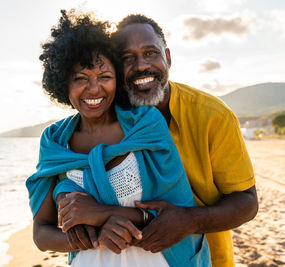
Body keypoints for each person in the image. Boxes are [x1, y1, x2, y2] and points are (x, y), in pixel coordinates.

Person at [26, 10, 211, 267]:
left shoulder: (145, 124)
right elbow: (41, 234)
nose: (93, 89)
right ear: (62, 84)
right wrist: (96, 237)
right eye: (80, 79)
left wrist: (99, 214)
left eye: (104, 77)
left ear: (117, 79)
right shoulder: (54, 140)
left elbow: (176, 213)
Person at [109, 14, 259, 267]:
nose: (141, 65)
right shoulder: (106, 120)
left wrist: (190, 220)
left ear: (167, 57)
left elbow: (247, 202)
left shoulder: (214, 116)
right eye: (126, 58)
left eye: (150, 53)